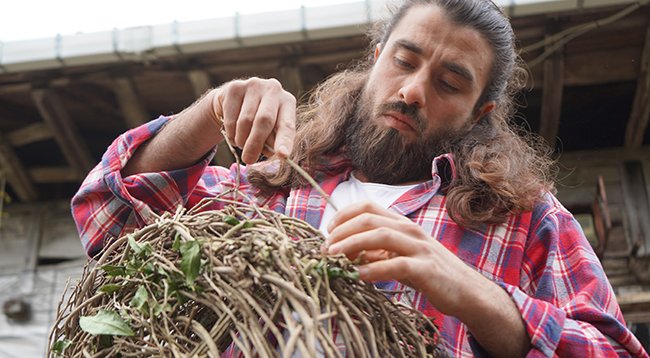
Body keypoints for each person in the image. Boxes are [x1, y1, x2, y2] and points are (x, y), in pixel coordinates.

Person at [71, 0, 648, 356]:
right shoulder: (257, 188)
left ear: (481, 115)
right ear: (375, 57)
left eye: (450, 82)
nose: (413, 90)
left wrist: (480, 296)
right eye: (404, 59)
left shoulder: (528, 221)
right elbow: (109, 225)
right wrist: (208, 111)